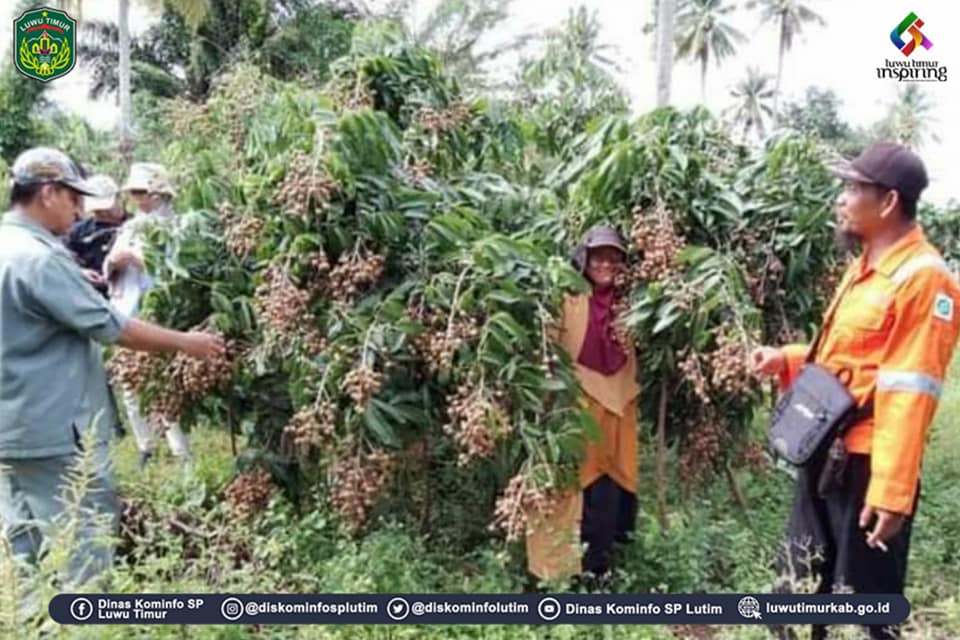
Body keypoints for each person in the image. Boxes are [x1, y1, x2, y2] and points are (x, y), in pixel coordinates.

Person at [750, 143, 960, 640]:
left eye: (851, 189)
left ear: (887, 202)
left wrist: (891, 493)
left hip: (866, 470)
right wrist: (790, 359)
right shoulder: (865, 267)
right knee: (795, 597)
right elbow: (854, 358)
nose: (840, 200)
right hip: (826, 451)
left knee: (859, 613)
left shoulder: (924, 280)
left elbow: (909, 392)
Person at [0, 147, 225, 593]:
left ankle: (30, 623)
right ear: (48, 193)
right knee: (85, 538)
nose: (80, 210)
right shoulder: (41, 259)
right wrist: (187, 343)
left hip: (9, 429)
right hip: (53, 430)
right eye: (73, 198)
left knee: (24, 539)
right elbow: (111, 327)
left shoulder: (9, 246)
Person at [526, 225, 640, 585]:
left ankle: (598, 570)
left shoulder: (632, 305)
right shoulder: (567, 299)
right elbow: (548, 353)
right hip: (572, 412)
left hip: (616, 414)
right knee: (564, 492)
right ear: (583, 259)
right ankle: (555, 574)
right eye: (598, 257)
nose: (606, 264)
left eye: (614, 258)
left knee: (606, 496)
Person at [104, 162, 190, 466]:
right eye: (134, 192)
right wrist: (113, 262)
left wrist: (138, 260)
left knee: (164, 387)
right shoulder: (129, 226)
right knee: (129, 385)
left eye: (142, 191)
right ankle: (146, 448)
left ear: (158, 191)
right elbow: (110, 264)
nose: (137, 198)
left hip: (156, 313)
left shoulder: (176, 225)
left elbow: (175, 270)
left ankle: (181, 453)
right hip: (126, 313)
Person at [64, 174, 128, 296]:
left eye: (106, 208)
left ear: (118, 199)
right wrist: (81, 272)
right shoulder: (79, 232)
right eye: (97, 210)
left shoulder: (136, 226)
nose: (103, 213)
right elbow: (64, 260)